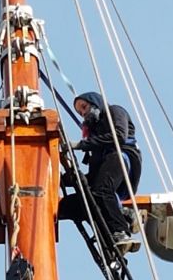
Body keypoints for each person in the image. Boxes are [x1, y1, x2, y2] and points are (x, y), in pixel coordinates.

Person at [61, 91, 142, 253]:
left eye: (84, 107)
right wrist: (67, 179)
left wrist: (80, 145)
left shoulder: (115, 111)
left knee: (102, 190)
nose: (83, 113)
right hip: (109, 168)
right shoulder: (95, 139)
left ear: (95, 102)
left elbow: (119, 136)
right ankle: (123, 216)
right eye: (80, 112)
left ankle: (121, 232)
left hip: (121, 156)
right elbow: (95, 174)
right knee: (77, 202)